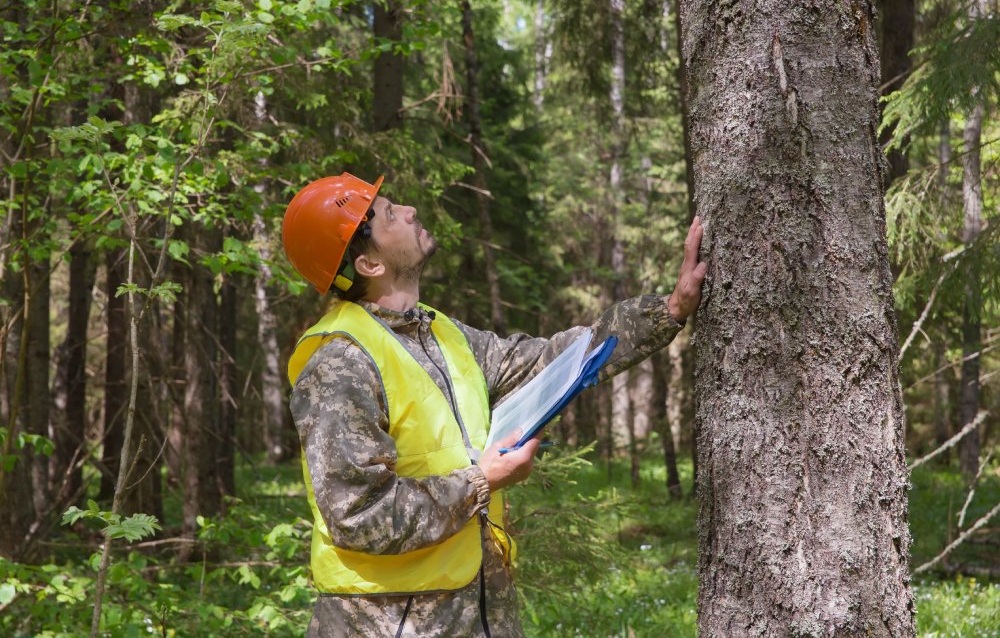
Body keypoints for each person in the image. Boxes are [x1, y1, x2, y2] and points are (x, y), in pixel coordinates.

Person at [282, 172, 707, 637]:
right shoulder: (339, 362)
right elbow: (358, 515)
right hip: (386, 624)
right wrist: (481, 481)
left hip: (479, 611)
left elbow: (552, 363)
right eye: (389, 215)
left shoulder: (444, 334)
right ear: (368, 264)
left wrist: (669, 310)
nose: (410, 211)